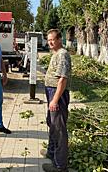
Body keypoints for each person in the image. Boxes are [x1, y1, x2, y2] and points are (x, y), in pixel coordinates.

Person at [42, 29, 71, 172]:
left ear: (60, 39)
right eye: (48, 40)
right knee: (52, 124)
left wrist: (54, 100)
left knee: (59, 129)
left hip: (57, 95)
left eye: (52, 39)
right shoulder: (56, 54)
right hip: (51, 93)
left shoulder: (63, 54)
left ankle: (60, 166)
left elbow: (62, 80)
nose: (50, 42)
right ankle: (51, 153)